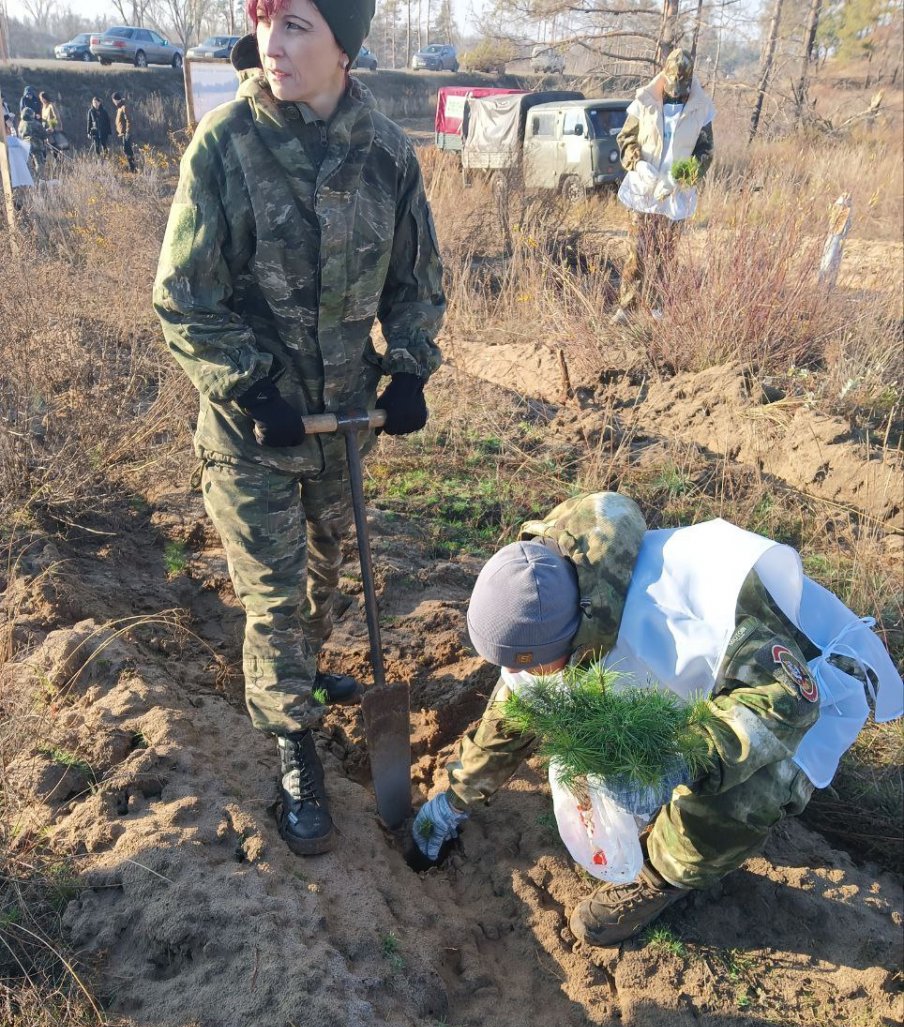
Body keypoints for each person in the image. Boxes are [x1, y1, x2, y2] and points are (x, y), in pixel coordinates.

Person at [153, 0, 445, 857]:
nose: (272, 47)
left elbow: (418, 280)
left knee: (324, 579)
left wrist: (412, 366)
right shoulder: (226, 145)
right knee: (275, 599)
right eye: (267, 24)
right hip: (257, 432)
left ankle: (305, 678)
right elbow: (184, 298)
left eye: (297, 27)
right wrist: (252, 388)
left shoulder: (387, 154)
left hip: (342, 426)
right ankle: (294, 749)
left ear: (344, 47)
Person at [413, 493, 902, 946]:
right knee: (562, 693)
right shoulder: (554, 581)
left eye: (532, 661)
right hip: (713, 677)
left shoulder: (679, 618)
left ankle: (661, 876)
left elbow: (785, 704)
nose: (522, 675)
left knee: (746, 787)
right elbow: (519, 698)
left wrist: (672, 764)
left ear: (575, 634)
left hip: (805, 681)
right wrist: (454, 800)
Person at [611, 48, 715, 323]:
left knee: (665, 254)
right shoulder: (644, 101)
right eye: (673, 87)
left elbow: (705, 152)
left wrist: (682, 177)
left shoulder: (701, 108)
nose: (677, 92)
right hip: (643, 188)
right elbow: (625, 138)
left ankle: (657, 309)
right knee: (637, 251)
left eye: (682, 88)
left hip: (674, 192)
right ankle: (627, 308)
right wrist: (638, 164)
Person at [111, 92, 136, 172]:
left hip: (126, 133)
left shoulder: (124, 107)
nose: (113, 102)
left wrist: (128, 132)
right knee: (127, 150)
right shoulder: (120, 108)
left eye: (113, 101)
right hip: (122, 133)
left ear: (115, 100)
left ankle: (133, 168)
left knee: (127, 150)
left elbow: (129, 120)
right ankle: (132, 168)